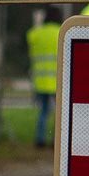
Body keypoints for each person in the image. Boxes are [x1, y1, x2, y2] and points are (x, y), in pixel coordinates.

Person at [26, 8, 62, 148]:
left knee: (43, 111)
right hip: (57, 80)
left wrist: (37, 22)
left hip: (40, 80)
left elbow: (29, 37)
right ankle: (56, 140)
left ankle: (40, 139)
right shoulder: (60, 32)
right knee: (58, 113)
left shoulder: (37, 33)